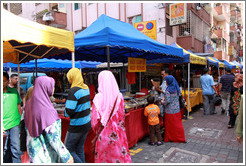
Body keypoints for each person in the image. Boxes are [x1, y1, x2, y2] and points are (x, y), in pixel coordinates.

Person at [24, 76, 73, 163]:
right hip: (45, 156)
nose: (53, 88)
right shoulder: (46, 110)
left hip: (33, 153)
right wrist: (66, 156)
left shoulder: (29, 104)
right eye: (52, 86)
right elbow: (53, 137)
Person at [91, 70, 132, 163]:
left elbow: (94, 122)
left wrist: (98, 130)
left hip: (104, 136)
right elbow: (122, 117)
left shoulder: (98, 98)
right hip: (119, 135)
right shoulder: (120, 97)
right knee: (119, 158)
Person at [64, 68, 91, 163]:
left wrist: (64, 111)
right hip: (87, 123)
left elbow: (69, 111)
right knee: (79, 148)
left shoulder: (73, 91)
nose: (68, 79)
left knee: (68, 149)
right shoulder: (86, 88)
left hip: (77, 125)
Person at [3, 72, 22, 163]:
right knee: (4, 150)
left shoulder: (14, 91)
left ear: (8, 81)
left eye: (3, 81)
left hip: (15, 123)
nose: (2, 83)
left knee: (16, 149)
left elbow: (18, 106)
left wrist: (21, 120)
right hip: (3, 125)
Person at [161, 75, 186, 143]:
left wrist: (163, 101)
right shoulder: (176, 88)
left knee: (169, 126)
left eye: (166, 81)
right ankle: (180, 137)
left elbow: (167, 101)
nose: (165, 82)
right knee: (177, 125)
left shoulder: (168, 90)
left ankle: (170, 137)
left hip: (169, 111)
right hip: (177, 109)